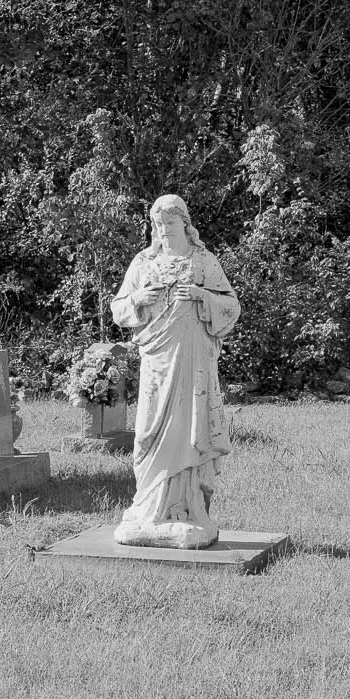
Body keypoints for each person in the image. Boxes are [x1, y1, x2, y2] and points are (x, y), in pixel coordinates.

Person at [108, 194, 240, 549]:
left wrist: (201, 295)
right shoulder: (144, 262)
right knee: (148, 432)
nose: (164, 230)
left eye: (170, 223)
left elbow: (231, 305)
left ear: (184, 222)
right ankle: (148, 509)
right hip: (156, 361)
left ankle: (187, 509)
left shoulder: (202, 261)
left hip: (192, 360)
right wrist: (138, 300)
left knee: (187, 427)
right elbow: (119, 308)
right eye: (159, 224)